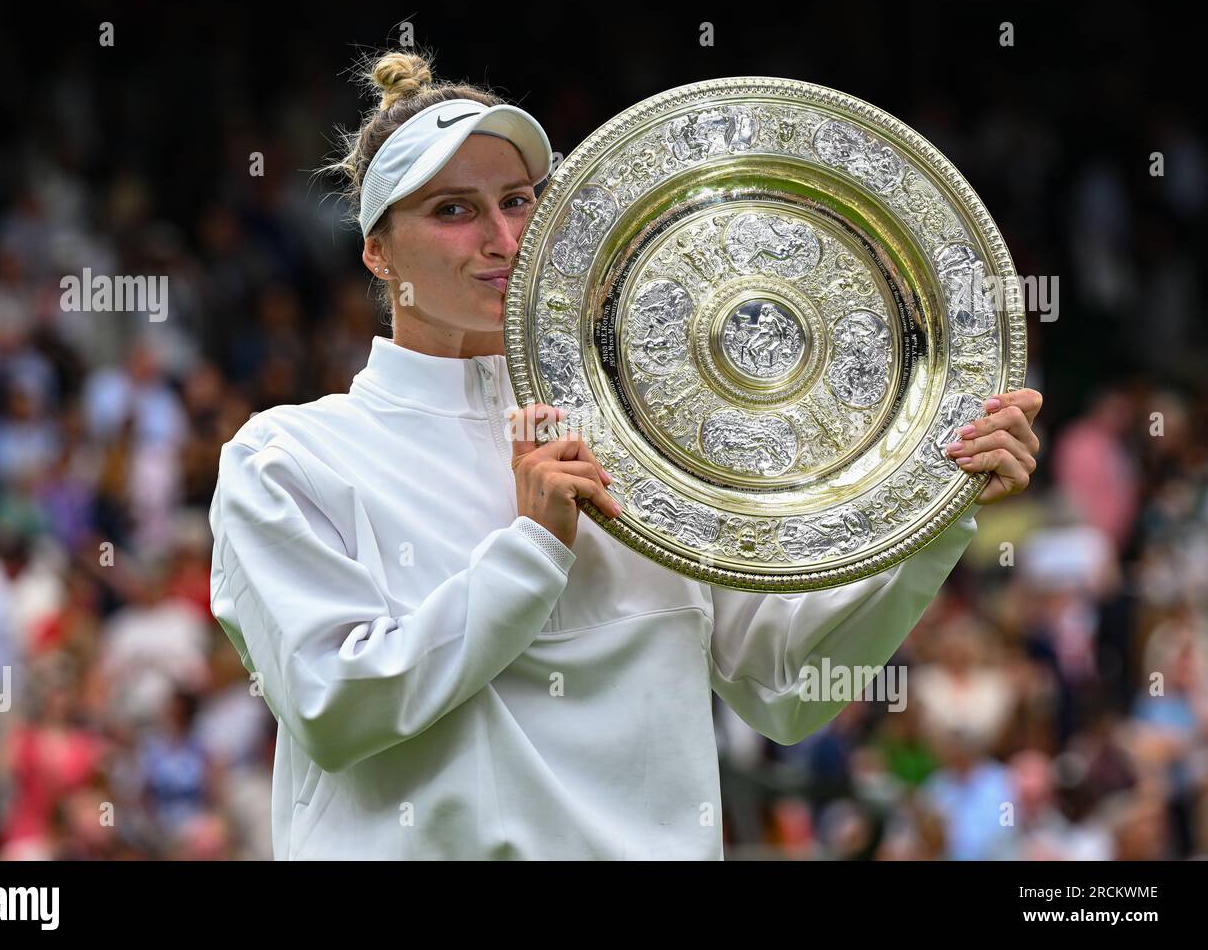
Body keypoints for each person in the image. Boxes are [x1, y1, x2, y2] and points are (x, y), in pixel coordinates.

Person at [207, 49, 1044, 859]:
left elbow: (785, 689)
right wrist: (532, 550)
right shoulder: (286, 456)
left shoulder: (643, 434)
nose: (503, 238)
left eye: (520, 201)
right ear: (378, 251)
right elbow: (335, 706)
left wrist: (938, 506)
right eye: (453, 210)